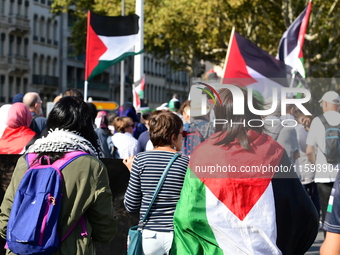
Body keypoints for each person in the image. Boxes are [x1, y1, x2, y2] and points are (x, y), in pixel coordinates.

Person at [171, 87, 318, 255]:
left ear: (218, 116)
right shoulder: (274, 151)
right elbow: (304, 213)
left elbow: (185, 218)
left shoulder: (202, 156)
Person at [0, 96, 117, 254]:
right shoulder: (92, 166)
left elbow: (5, 221)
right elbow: (105, 230)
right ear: (87, 126)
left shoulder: (26, 160)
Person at [124, 111, 189, 255]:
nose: (183, 138)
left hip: (150, 236)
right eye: (182, 134)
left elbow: (131, 205)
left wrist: (133, 173)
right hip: (180, 235)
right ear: (173, 137)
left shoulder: (139, 161)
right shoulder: (187, 163)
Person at [306, 91, 340, 234]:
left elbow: (309, 150)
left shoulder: (317, 121)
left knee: (328, 210)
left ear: (325, 104)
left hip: (324, 177)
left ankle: (330, 243)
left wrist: (316, 165)